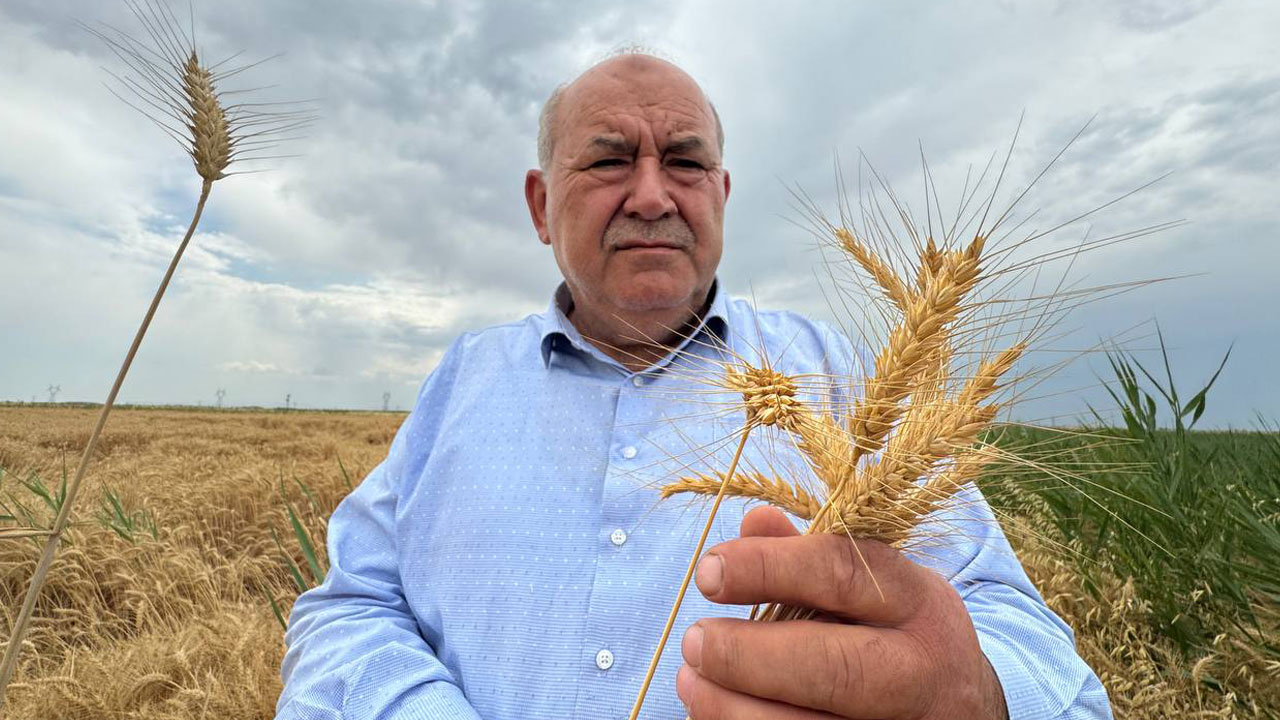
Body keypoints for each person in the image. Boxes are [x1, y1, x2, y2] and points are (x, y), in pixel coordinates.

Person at [276, 52, 1112, 720]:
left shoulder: (839, 377)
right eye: (608, 162)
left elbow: (1028, 643)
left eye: (684, 161)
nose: (651, 194)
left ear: (721, 192)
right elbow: (346, 609)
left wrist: (978, 695)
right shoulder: (461, 381)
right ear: (539, 207)